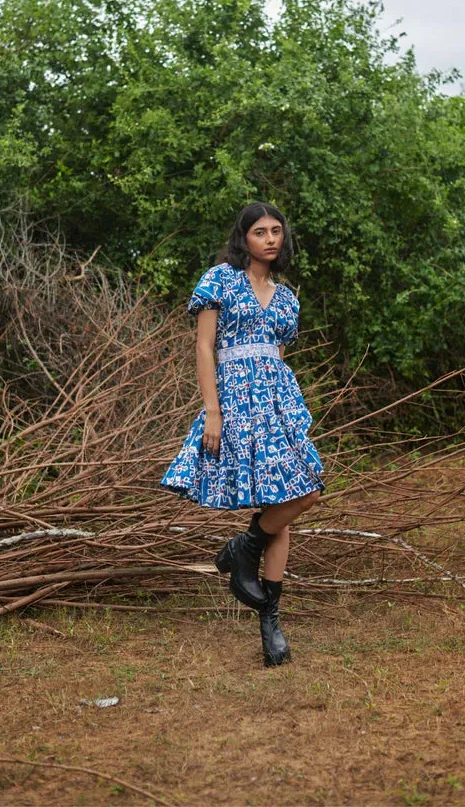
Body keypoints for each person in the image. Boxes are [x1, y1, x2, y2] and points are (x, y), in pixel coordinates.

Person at [160, 202, 324, 667]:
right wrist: (213, 411)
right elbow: (204, 346)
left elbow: (277, 353)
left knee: (302, 493)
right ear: (243, 238)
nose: (270, 239)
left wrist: (286, 407)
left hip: (277, 400)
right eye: (260, 232)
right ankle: (269, 617)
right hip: (233, 398)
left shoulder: (287, 298)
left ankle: (245, 553)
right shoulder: (220, 280)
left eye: (276, 231)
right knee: (284, 509)